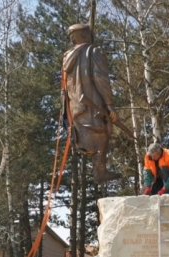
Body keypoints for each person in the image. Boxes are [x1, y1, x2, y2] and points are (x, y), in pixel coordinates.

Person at [62, 23, 119, 183]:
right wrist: (109, 105)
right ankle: (100, 171)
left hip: (75, 108)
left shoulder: (67, 56)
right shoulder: (93, 52)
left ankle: (99, 170)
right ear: (86, 35)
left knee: (91, 138)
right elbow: (101, 79)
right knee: (103, 134)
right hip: (93, 104)